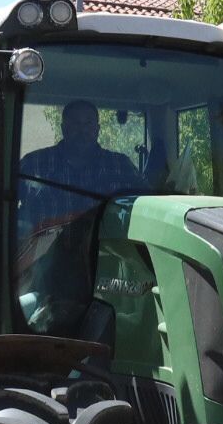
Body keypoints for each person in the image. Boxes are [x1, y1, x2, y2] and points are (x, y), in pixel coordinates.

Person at [15, 100, 143, 332]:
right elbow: (8, 212)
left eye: (88, 123)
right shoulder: (35, 164)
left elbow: (144, 208)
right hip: (42, 270)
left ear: (97, 129)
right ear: (64, 129)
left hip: (106, 270)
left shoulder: (120, 166)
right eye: (75, 124)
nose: (82, 129)